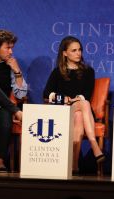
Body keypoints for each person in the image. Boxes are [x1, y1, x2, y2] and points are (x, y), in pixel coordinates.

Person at [43, 36, 105, 174]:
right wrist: (63, 99)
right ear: (65, 53)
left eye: (80, 50)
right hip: (63, 111)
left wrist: (76, 100)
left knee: (79, 114)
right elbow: (46, 93)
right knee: (83, 104)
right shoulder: (57, 72)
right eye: (74, 50)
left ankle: (74, 166)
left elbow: (86, 94)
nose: (78, 53)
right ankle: (94, 144)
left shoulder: (88, 71)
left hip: (81, 111)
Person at [0, 29, 27, 172]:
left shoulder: (9, 67)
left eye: (12, 48)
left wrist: (17, 71)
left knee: (5, 117)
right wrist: (16, 110)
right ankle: (15, 111)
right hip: (9, 107)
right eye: (7, 48)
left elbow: (21, 95)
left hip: (3, 107)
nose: (10, 52)